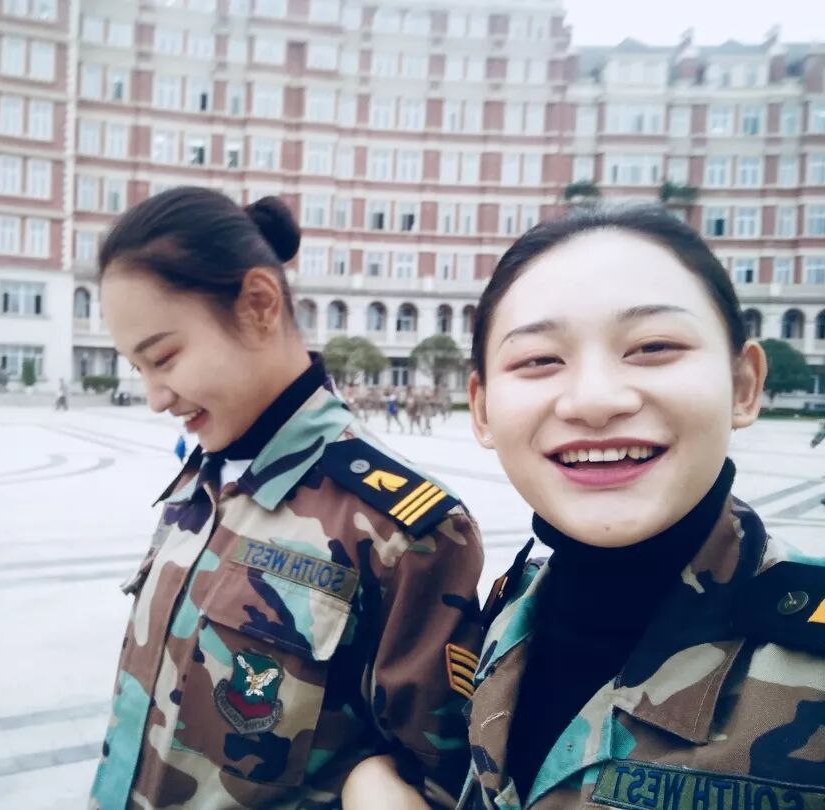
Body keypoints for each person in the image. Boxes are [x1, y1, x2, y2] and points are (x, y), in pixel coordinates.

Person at [342, 206, 825, 809]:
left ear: (745, 385)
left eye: (653, 346)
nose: (595, 400)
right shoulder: (508, 616)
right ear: (483, 410)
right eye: (539, 359)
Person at [86, 187, 487, 810]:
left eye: (163, 358)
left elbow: (440, 782)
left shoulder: (400, 529)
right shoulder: (205, 476)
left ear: (259, 303)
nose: (155, 398)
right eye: (139, 369)